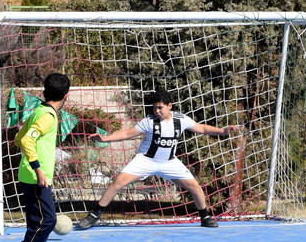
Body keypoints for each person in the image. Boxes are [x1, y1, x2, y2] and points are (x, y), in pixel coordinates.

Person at [77, 90, 240, 229]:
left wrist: (223, 131)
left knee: (195, 187)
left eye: (160, 107)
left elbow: (202, 128)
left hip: (169, 162)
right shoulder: (149, 121)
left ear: (170, 106)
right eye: (154, 108)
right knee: (117, 182)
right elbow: (127, 133)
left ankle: (204, 217)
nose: (157, 111)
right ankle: (94, 214)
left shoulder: (181, 120)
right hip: (145, 160)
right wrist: (104, 139)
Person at [1, 73, 71, 242]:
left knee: (36, 224)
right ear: (66, 96)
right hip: (36, 177)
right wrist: (38, 168)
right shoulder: (48, 115)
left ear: (44, 92)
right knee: (48, 222)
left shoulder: (39, 110)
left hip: (28, 175)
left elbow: (19, 138)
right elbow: (28, 140)